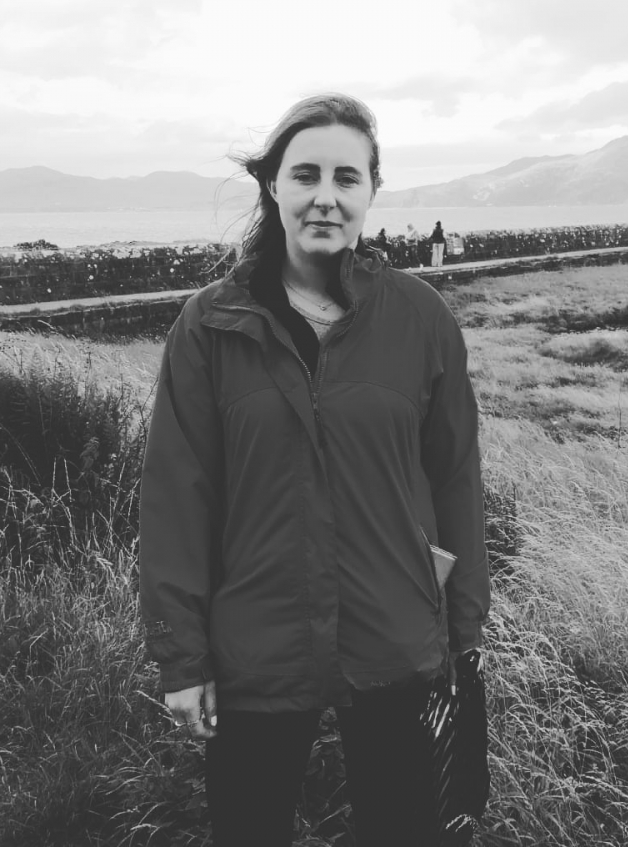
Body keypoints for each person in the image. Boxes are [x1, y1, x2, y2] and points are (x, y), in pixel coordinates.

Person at [139, 93, 490, 847]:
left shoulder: (420, 318)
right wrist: (182, 659)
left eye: (346, 177)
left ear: (372, 191)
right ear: (273, 185)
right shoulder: (209, 325)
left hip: (394, 637)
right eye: (305, 175)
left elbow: (456, 480)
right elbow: (176, 497)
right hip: (255, 643)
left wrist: (463, 633)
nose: (325, 197)